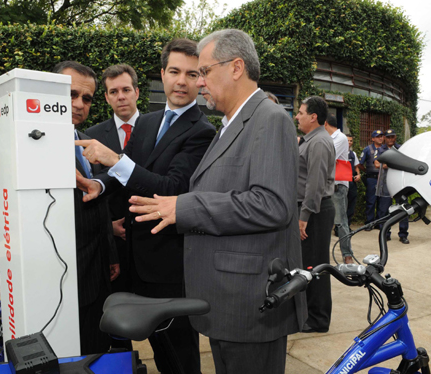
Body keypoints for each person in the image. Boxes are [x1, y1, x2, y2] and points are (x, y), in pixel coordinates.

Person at [127, 29, 307, 374]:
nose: (199, 82)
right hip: (229, 300)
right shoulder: (229, 124)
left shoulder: (269, 121)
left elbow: (271, 204)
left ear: (236, 67)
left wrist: (184, 207)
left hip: (252, 303)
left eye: (205, 71)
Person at [76, 39, 216, 374]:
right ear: (162, 75)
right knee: (120, 347)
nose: (181, 80)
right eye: (174, 71)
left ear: (200, 79)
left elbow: (171, 189)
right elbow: (126, 175)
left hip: (168, 266)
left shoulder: (202, 131)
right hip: (129, 259)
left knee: (177, 356)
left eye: (191, 73)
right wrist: (99, 184)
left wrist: (113, 160)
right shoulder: (149, 122)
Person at [52, 61, 119, 355]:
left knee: (95, 347)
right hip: (62, 276)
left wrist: (110, 254)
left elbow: (97, 203)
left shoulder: (84, 141)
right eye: (71, 94)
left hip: (97, 269)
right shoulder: (33, 144)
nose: (79, 104)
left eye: (87, 98)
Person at [85, 64, 140, 295]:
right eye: (114, 92)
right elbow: (89, 187)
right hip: (111, 245)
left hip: (151, 239)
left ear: (137, 92)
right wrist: (109, 228)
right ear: (107, 98)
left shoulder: (157, 130)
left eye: (126, 90)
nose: (121, 97)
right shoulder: (92, 136)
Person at [296, 96, 336, 333]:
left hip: (315, 211)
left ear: (313, 117)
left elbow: (315, 183)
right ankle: (309, 313)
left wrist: (305, 216)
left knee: (316, 266)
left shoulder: (319, 142)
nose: (297, 116)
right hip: (311, 209)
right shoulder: (310, 139)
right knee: (308, 264)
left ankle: (318, 319)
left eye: (301, 112)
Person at [324, 114, 353, 264]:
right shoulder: (328, 138)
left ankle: (347, 255)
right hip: (326, 185)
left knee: (341, 222)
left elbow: (327, 157)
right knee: (325, 222)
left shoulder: (340, 138)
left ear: (325, 123)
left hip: (338, 186)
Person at [374, 129, 409, 244]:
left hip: (400, 184)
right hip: (385, 184)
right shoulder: (380, 149)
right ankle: (386, 233)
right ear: (385, 138)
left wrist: (387, 164)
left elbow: (405, 163)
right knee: (384, 210)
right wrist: (394, 164)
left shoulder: (402, 148)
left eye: (392, 137)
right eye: (388, 137)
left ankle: (403, 234)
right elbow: (377, 164)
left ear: (395, 137)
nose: (390, 139)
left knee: (403, 209)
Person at [360, 130, 384, 228]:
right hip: (372, 179)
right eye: (378, 136)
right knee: (371, 201)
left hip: (383, 179)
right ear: (373, 139)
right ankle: (369, 223)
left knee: (382, 202)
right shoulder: (367, 149)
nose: (380, 138)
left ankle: (380, 223)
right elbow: (360, 163)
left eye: (382, 136)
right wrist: (367, 171)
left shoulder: (385, 149)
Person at [346, 134, 361, 227]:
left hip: (351, 182)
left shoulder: (353, 154)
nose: (349, 142)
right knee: (342, 206)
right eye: (347, 140)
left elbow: (356, 167)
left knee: (351, 204)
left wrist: (358, 175)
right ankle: (338, 228)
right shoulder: (337, 152)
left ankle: (347, 226)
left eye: (351, 141)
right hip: (341, 182)